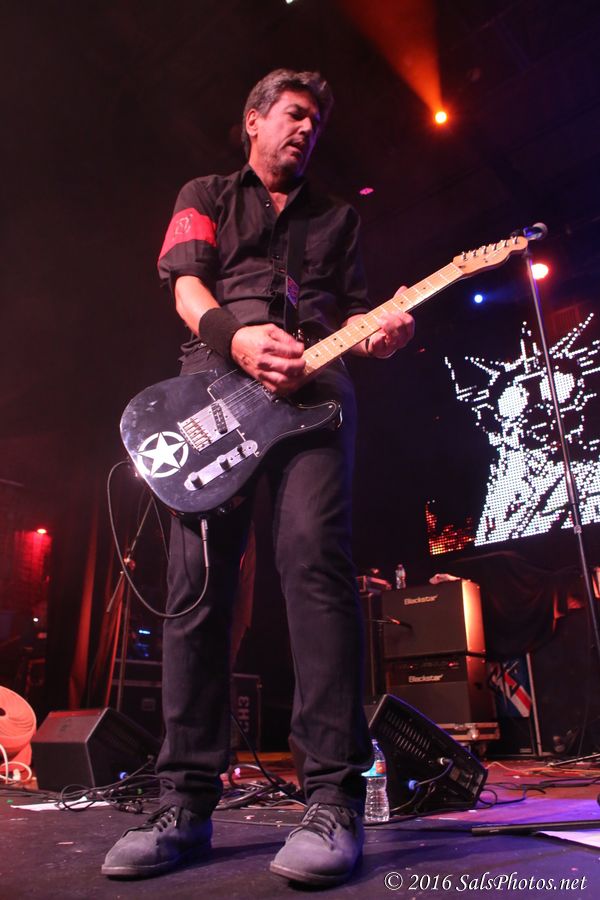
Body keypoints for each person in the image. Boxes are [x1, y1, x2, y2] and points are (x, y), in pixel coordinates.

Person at [102, 68, 414, 887]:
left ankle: (333, 799)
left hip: (316, 396)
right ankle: (183, 801)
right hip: (213, 393)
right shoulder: (205, 193)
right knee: (198, 588)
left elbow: (352, 311)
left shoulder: (338, 217)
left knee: (315, 564)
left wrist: (377, 334)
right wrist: (236, 340)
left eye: (317, 121)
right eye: (294, 114)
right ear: (254, 119)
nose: (307, 129)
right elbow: (186, 287)